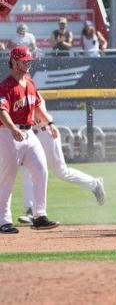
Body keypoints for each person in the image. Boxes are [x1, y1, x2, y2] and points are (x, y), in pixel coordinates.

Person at [17, 93, 106, 224]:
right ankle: (30, 210)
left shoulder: (31, 91)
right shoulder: (15, 92)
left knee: (61, 171)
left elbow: (36, 114)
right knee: (28, 171)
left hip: (46, 132)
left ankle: (94, 184)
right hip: (31, 135)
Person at [0, 46, 59, 234]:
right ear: (15, 62)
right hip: (8, 134)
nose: (28, 63)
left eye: (29, 60)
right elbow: (2, 111)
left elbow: (37, 107)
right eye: (24, 60)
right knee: (7, 178)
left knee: (41, 171)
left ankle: (40, 216)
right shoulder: (6, 85)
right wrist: (12, 128)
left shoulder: (30, 83)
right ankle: (3, 220)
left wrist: (49, 123)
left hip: (29, 134)